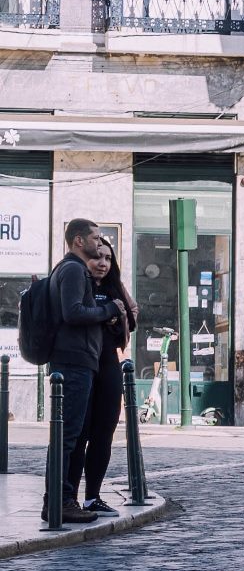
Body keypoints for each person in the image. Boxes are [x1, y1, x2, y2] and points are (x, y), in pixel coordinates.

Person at [47, 219, 121, 521]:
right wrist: (108, 310)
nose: (98, 241)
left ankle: (59, 501)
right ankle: (60, 502)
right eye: (95, 237)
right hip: (74, 361)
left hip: (76, 361)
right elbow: (73, 313)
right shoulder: (74, 269)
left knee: (69, 435)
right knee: (68, 437)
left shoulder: (68, 269)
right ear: (79, 241)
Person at [75, 237, 138, 514]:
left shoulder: (115, 286)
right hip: (80, 364)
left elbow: (132, 313)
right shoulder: (76, 282)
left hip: (109, 362)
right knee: (78, 434)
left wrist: (120, 318)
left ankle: (92, 496)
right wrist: (106, 313)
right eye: (97, 257)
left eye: (108, 258)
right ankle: (67, 499)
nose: (102, 263)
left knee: (104, 432)